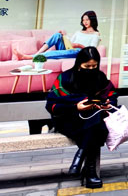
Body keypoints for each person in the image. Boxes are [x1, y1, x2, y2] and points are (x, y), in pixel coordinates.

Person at [45, 46, 117, 189]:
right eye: (87, 66)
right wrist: (75, 107)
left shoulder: (100, 77)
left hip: (92, 118)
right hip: (68, 119)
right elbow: (51, 105)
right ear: (79, 64)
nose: (91, 69)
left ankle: (82, 157)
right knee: (96, 126)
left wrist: (107, 104)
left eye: (94, 66)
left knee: (95, 123)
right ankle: (90, 173)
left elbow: (111, 95)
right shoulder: (65, 78)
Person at [17, 11, 101, 60]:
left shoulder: (96, 34)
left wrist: (79, 45)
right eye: (83, 20)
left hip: (80, 53)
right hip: (69, 50)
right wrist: (64, 36)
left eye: (87, 20)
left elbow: (91, 51)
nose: (85, 22)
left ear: (92, 20)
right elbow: (70, 43)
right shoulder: (78, 32)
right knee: (57, 35)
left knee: (76, 50)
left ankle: (30, 57)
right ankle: (37, 53)